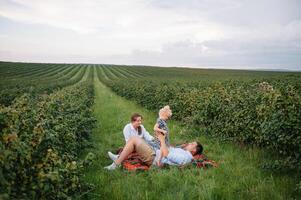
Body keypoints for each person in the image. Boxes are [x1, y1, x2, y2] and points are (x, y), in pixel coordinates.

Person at [104, 132, 203, 170]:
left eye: (192, 144)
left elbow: (167, 154)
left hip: (154, 158)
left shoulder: (186, 157)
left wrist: (162, 141)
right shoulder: (183, 151)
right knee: (136, 139)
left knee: (134, 139)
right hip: (156, 152)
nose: (189, 143)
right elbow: (168, 149)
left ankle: (116, 164)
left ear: (194, 151)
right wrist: (160, 140)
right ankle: (119, 158)